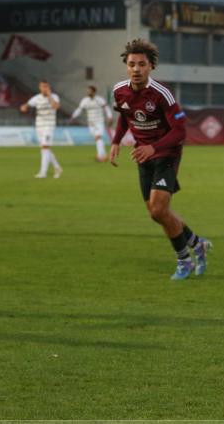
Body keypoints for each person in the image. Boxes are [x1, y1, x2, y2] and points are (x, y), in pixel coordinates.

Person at [110, 39, 211, 280]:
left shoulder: (162, 94)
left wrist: (154, 148)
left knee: (158, 209)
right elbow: (125, 116)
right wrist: (116, 141)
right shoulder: (119, 91)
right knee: (156, 213)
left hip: (167, 153)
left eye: (141, 64)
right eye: (132, 64)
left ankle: (184, 261)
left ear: (151, 66)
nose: (136, 69)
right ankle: (198, 244)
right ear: (126, 66)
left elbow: (180, 131)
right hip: (143, 154)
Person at [20, 80, 63, 179]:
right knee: (45, 148)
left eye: (46, 86)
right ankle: (57, 167)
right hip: (39, 126)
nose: (45, 88)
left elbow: (55, 107)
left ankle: (43, 172)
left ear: (49, 87)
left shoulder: (54, 97)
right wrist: (24, 107)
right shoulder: (36, 98)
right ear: (40, 87)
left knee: (45, 147)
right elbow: (27, 105)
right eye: (43, 86)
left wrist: (49, 96)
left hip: (49, 125)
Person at [70, 85, 113, 162]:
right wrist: (73, 116)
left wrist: (109, 117)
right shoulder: (85, 100)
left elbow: (106, 108)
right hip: (91, 123)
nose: (88, 92)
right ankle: (103, 155)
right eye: (87, 91)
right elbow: (80, 109)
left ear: (94, 91)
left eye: (89, 91)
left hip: (99, 122)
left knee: (98, 137)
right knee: (97, 139)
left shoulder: (100, 100)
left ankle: (100, 156)